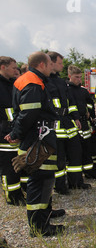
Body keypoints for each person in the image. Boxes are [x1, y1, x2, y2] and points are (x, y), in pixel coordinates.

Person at [5, 51, 65, 237]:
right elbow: (28, 114)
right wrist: (16, 134)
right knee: (39, 182)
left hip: (41, 138)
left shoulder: (33, 80)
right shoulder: (32, 83)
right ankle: (39, 226)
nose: (51, 68)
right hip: (37, 140)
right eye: (49, 64)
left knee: (46, 179)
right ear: (41, 65)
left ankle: (45, 213)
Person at [47, 52, 90, 191]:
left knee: (75, 153)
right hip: (54, 125)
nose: (62, 66)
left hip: (68, 122)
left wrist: (76, 117)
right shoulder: (44, 81)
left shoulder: (61, 81)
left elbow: (70, 102)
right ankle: (60, 186)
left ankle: (76, 182)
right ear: (51, 62)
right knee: (59, 158)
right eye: (60, 63)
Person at [67, 65, 96, 180]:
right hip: (72, 124)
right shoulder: (66, 90)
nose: (79, 79)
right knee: (75, 152)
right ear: (69, 76)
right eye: (76, 77)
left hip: (85, 122)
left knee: (87, 149)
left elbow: (90, 104)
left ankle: (89, 172)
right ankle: (75, 177)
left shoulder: (83, 90)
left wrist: (89, 113)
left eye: (80, 77)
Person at [0, 56, 26, 206]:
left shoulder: (11, 85)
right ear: (3, 67)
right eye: (13, 68)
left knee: (17, 165)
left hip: (14, 131)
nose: (16, 70)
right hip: (3, 133)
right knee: (7, 167)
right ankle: (11, 197)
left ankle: (18, 194)